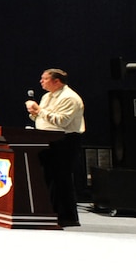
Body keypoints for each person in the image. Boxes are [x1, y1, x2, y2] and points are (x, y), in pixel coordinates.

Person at [27, 67, 85, 227]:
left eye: (44, 79)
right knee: (48, 177)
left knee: (61, 178)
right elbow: (43, 117)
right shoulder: (47, 96)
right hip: (47, 139)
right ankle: (49, 212)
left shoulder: (70, 98)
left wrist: (39, 110)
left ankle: (67, 217)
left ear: (56, 81)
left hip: (65, 141)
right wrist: (34, 113)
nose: (41, 81)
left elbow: (62, 121)